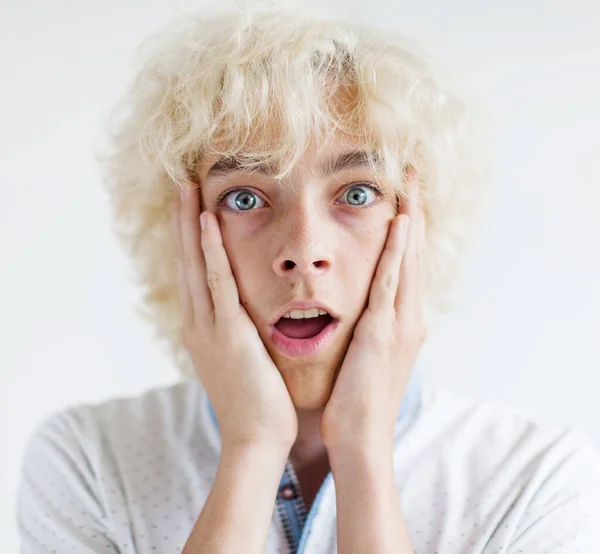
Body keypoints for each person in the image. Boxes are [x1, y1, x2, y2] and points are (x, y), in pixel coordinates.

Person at [16, 5, 600, 554]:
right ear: (181, 234)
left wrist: (364, 453)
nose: (302, 251)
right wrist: (252, 448)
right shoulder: (90, 461)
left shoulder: (534, 481)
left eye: (357, 193)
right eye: (244, 197)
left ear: (420, 224)